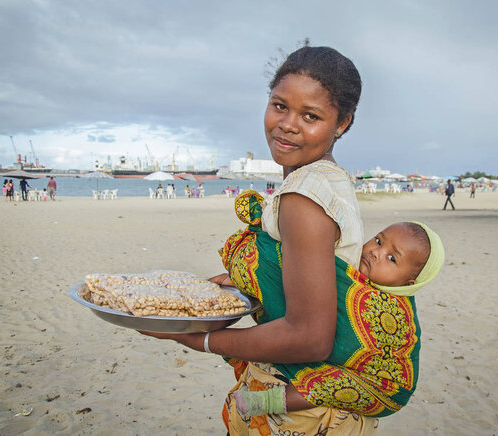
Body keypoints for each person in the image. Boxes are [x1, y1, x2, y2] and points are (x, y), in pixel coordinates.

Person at [140, 46, 373, 434]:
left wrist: (203, 341)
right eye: (280, 106)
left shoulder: (303, 198)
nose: (288, 124)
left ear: (342, 123)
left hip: (301, 412)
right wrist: (228, 282)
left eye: (311, 116)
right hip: (322, 403)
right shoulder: (326, 178)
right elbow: (306, 270)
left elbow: (310, 338)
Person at [217, 190, 444, 419]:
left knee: (325, 387)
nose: (376, 252)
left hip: (383, 387)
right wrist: (230, 280)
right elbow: (296, 278)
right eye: (378, 240)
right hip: (346, 365)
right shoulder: (349, 272)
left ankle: (264, 402)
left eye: (392, 258)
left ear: (408, 283)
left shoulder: (391, 310)